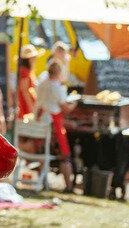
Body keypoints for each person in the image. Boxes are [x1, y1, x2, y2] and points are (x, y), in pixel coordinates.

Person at [35, 60, 77, 192]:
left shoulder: (42, 83)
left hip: (40, 122)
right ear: (58, 72)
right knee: (65, 154)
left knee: (42, 150)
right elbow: (66, 108)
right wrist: (75, 103)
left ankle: (43, 182)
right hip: (53, 125)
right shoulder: (57, 87)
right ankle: (68, 186)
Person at [18, 44, 41, 119]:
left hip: (27, 104)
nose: (35, 59)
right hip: (25, 105)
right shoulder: (24, 71)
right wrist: (31, 107)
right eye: (33, 57)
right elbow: (25, 90)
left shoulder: (27, 70)